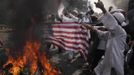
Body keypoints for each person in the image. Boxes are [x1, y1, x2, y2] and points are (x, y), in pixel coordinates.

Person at [82, 0, 127, 75]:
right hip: (107, 60)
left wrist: (102, 8)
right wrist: (91, 28)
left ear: (116, 22)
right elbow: (102, 34)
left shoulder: (121, 32)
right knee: (96, 71)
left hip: (115, 63)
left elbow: (113, 24)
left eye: (113, 18)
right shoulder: (112, 33)